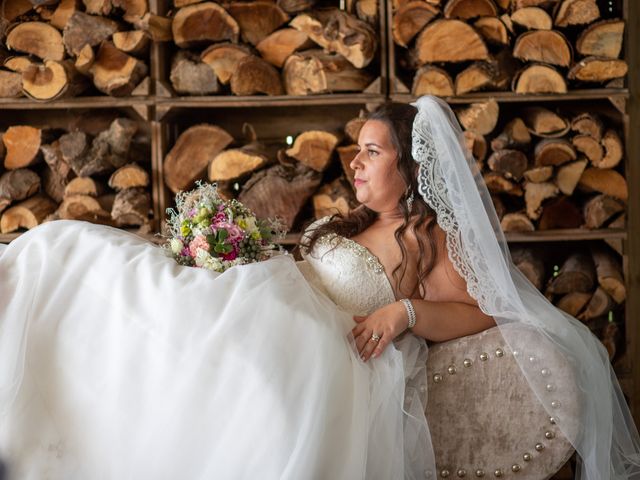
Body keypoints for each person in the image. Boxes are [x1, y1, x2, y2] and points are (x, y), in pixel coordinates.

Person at [0, 96, 637, 480]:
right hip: (263, 301)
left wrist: (407, 311)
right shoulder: (350, 222)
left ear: (410, 169)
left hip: (313, 346)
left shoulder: (430, 241)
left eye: (371, 152)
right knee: (86, 256)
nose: (353, 163)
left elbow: (484, 312)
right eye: (355, 151)